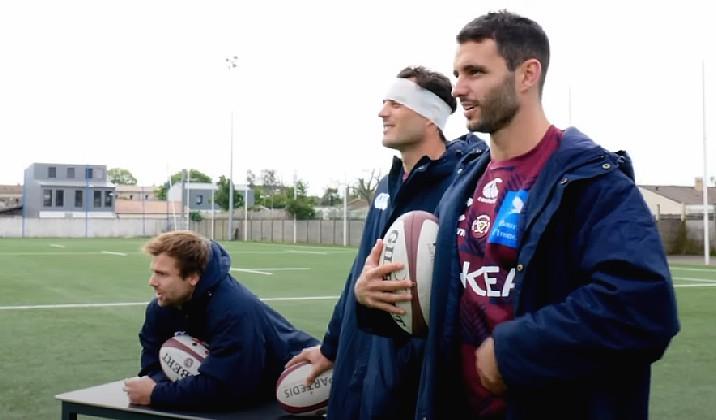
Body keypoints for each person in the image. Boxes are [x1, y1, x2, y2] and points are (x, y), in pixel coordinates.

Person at [355, 10, 680, 420]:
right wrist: (378, 302)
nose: (458, 89)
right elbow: (441, 312)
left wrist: (515, 351)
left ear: (527, 74)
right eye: (458, 73)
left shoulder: (592, 182)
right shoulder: (462, 188)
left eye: (475, 72)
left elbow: (643, 307)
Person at [285, 66, 486, 419]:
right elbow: (357, 277)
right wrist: (331, 348)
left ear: (428, 116)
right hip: (358, 362)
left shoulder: (462, 185)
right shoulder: (386, 186)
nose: (382, 112)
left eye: (395, 104)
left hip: (410, 373)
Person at [123, 230, 318, 409]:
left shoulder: (234, 310)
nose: (152, 282)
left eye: (162, 274)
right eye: (153, 272)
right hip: (248, 389)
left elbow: (227, 389)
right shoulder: (161, 308)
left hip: (302, 379)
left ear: (192, 277)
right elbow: (151, 361)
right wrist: (158, 383)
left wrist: (157, 394)